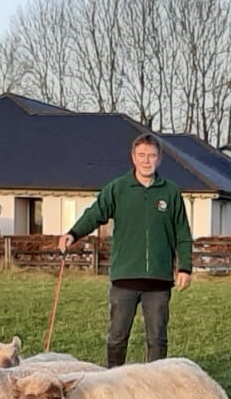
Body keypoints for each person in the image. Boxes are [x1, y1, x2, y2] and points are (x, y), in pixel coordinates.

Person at [58, 133, 192, 367]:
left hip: (158, 281)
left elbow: (182, 233)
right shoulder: (118, 189)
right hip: (125, 278)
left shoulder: (170, 192)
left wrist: (185, 267)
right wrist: (74, 233)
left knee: (157, 340)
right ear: (133, 158)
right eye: (141, 155)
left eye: (151, 155)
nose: (146, 161)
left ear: (159, 158)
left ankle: (155, 384)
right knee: (117, 338)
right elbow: (95, 213)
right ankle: (113, 380)